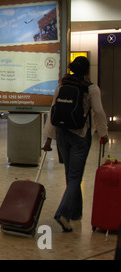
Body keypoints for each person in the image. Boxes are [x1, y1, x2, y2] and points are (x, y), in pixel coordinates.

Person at [42, 56, 108, 232]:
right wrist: (104, 133)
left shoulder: (62, 86)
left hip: (62, 135)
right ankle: (63, 213)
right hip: (80, 135)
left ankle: (76, 212)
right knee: (75, 177)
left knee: (70, 175)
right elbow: (99, 112)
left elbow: (53, 111)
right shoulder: (91, 88)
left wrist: (48, 138)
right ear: (87, 71)